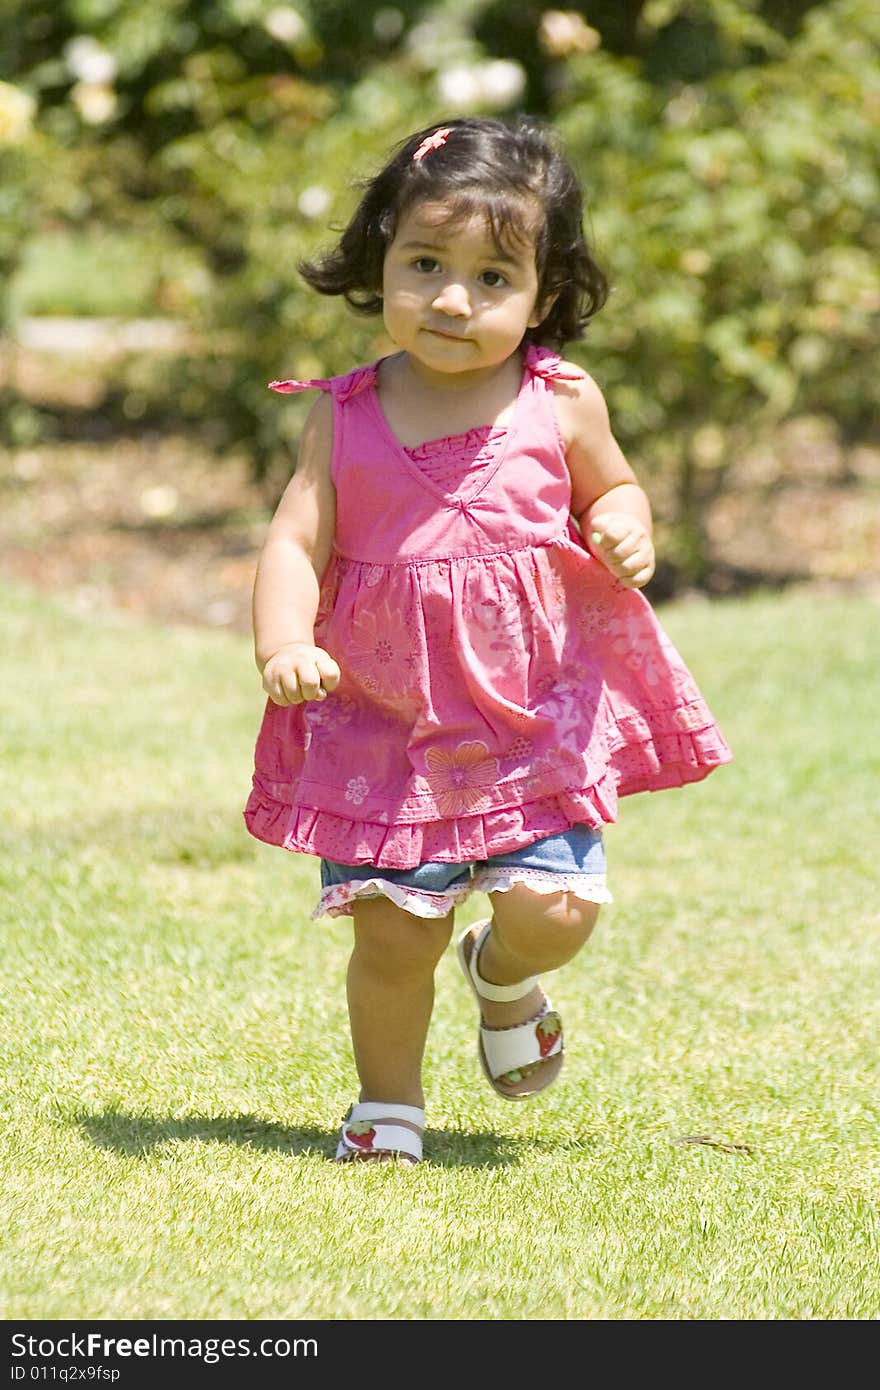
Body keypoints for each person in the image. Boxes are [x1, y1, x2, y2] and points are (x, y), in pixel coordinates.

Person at [244, 116, 731, 1165]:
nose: (453, 300)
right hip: (386, 719)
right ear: (381, 258)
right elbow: (294, 538)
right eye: (425, 264)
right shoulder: (344, 416)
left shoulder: (558, 402)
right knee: (391, 934)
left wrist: (624, 520)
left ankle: (503, 972)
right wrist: (283, 638)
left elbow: (617, 484)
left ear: (545, 296)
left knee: (556, 907)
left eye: (491, 277)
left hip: (530, 714)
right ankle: (387, 1107)